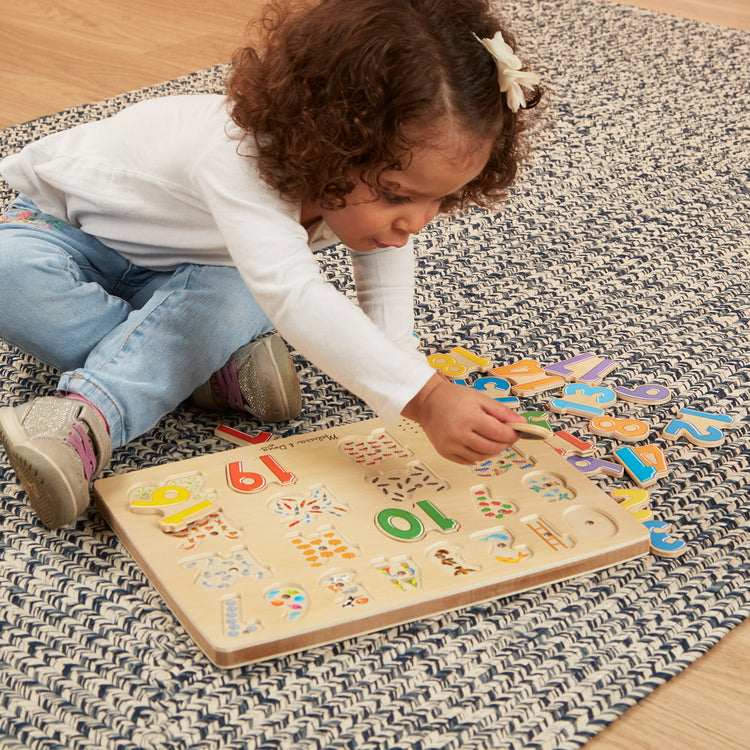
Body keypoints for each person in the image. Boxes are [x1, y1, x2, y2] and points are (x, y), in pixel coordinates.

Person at [0, 0, 544, 529]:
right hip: (64, 236)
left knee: (241, 295)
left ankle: (156, 375)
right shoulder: (234, 156)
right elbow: (293, 294)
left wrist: (408, 374)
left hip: (201, 273)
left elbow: (382, 276)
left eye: (438, 199)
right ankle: (149, 389)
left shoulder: (353, 182)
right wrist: (425, 398)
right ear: (327, 142)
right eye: (397, 195)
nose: (416, 222)